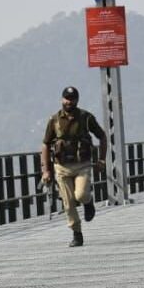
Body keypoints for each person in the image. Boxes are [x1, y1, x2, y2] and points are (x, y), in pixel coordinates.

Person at [41, 86, 106, 247]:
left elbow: (102, 136)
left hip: (82, 165)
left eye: (72, 99)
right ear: (62, 99)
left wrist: (102, 160)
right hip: (61, 168)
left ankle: (88, 202)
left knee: (81, 195)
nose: (69, 102)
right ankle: (77, 234)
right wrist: (46, 170)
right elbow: (45, 144)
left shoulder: (85, 117)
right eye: (66, 99)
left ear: (77, 100)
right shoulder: (54, 120)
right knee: (68, 203)